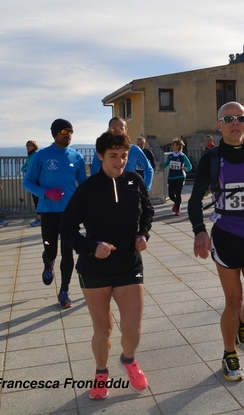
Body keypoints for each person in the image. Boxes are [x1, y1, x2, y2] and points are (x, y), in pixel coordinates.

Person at [187, 102, 244, 382]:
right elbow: (194, 200)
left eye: (240, 118)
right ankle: (229, 353)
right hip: (226, 237)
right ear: (219, 125)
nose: (234, 122)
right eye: (228, 119)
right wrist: (199, 231)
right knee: (233, 301)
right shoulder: (212, 159)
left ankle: (243, 321)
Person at [60, 131, 154, 400]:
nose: (120, 161)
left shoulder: (134, 182)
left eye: (123, 156)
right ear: (100, 156)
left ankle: (128, 359)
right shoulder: (87, 189)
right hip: (95, 268)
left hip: (129, 264)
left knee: (133, 330)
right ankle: (101, 373)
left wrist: (143, 234)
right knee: (103, 331)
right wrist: (92, 247)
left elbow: (147, 212)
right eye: (113, 156)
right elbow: (67, 230)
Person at [23, 119, 88, 309]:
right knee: (52, 250)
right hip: (49, 212)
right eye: (63, 131)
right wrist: (46, 193)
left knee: (68, 254)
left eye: (70, 131)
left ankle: (64, 291)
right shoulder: (42, 156)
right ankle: (48, 262)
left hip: (70, 214)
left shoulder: (76, 156)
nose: (67, 134)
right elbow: (27, 182)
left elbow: (83, 186)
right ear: (54, 133)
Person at [90, 117, 154, 191]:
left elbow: (149, 170)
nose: (117, 132)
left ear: (126, 131)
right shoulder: (102, 151)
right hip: (107, 194)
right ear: (108, 130)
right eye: (114, 128)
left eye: (121, 129)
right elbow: (94, 175)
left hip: (130, 194)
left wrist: (145, 190)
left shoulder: (134, 149)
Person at [161, 138, 192, 216]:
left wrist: (186, 169)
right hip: (171, 177)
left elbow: (189, 166)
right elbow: (166, 164)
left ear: (178, 146)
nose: (172, 146)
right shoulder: (170, 155)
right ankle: (177, 203)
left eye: (173, 145)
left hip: (180, 176)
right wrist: (162, 165)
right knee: (171, 194)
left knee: (178, 193)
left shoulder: (182, 156)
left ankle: (177, 209)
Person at [21, 140, 41, 227]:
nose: (27, 147)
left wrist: (28, 170)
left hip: (37, 180)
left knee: (38, 199)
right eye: (27, 145)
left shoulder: (35, 155)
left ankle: (40, 219)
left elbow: (35, 167)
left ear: (34, 146)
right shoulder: (29, 156)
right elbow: (24, 167)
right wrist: (26, 170)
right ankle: (39, 218)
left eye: (29, 145)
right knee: (35, 199)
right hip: (32, 180)